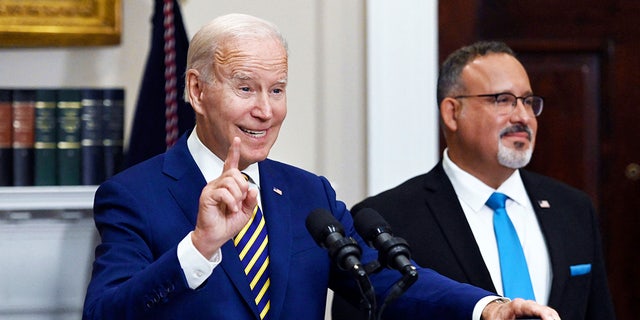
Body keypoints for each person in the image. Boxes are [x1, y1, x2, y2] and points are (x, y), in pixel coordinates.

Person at [82, 15, 561, 319]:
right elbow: (105, 313)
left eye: (278, 89)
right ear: (196, 90)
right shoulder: (133, 195)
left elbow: (389, 277)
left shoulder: (310, 194)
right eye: (246, 88)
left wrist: (489, 308)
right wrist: (200, 246)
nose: (266, 111)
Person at [332, 41, 615, 320]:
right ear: (452, 113)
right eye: (503, 100)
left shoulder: (573, 209)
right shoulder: (387, 219)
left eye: (528, 102)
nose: (523, 116)